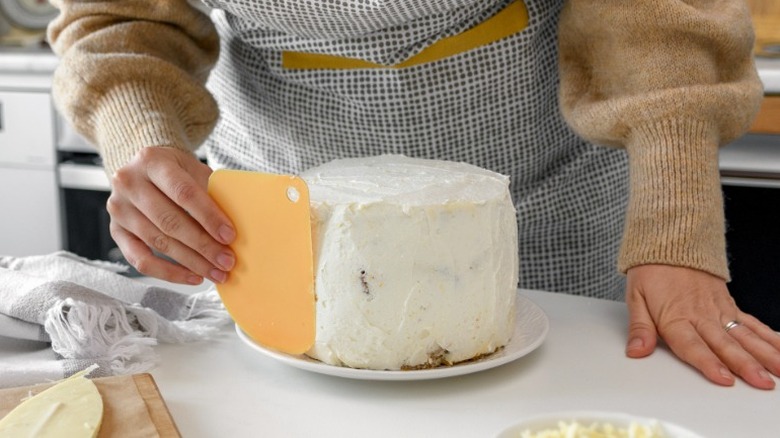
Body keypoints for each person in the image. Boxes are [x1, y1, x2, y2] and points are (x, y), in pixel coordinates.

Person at [47, 0, 780, 389]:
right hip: (281, 204)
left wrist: (674, 224)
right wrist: (142, 134)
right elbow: (118, 17)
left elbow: (653, 11)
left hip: (546, 197)